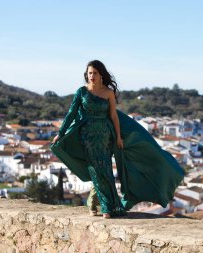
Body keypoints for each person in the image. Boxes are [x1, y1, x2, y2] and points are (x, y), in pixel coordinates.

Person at [51, 60, 185, 219]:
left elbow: (113, 116)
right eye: (89, 73)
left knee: (105, 169)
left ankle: (103, 203)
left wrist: (119, 137)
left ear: (101, 75)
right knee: (96, 168)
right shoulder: (81, 92)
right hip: (87, 136)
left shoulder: (108, 93)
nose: (91, 76)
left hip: (106, 135)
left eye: (94, 73)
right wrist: (61, 132)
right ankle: (108, 206)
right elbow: (72, 113)